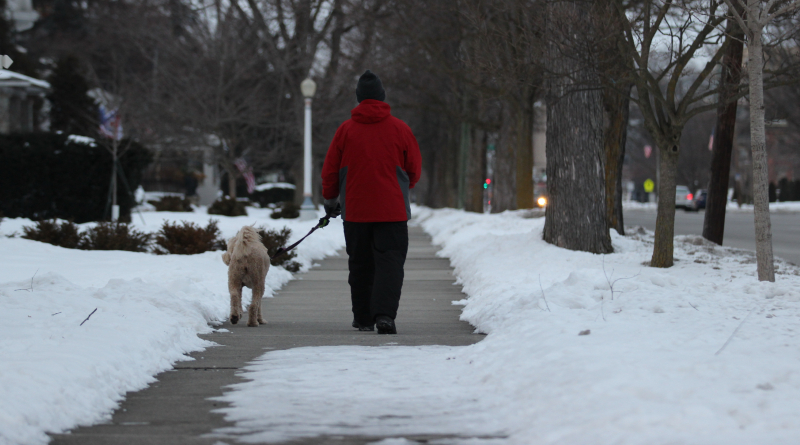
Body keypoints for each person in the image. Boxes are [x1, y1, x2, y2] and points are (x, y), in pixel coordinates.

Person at [320, 69, 422, 335]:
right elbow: (414, 169)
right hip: (393, 210)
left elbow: (330, 170)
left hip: (356, 210)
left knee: (361, 263)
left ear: (358, 98)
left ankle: (364, 317)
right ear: (382, 97)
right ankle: (385, 315)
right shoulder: (401, 129)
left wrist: (331, 201)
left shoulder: (345, 131)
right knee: (390, 263)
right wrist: (400, 188)